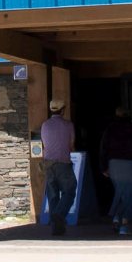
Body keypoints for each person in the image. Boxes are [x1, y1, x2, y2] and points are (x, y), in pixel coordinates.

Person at [99, 107, 132, 235]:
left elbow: (103, 148)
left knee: (121, 192)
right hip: (131, 164)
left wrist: (103, 166)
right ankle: (124, 224)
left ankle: (116, 218)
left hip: (114, 165)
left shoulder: (110, 129)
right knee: (131, 194)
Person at [40, 97, 76, 237]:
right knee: (70, 191)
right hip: (63, 163)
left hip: (48, 163)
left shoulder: (45, 125)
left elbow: (44, 145)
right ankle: (58, 214)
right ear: (63, 110)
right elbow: (71, 145)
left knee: (52, 195)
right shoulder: (68, 125)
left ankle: (56, 228)